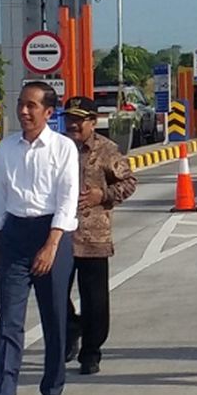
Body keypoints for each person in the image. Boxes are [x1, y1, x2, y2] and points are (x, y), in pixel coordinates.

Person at [0, 81, 79, 395]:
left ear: (48, 112)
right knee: (9, 321)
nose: (24, 111)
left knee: (54, 317)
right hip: (14, 234)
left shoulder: (63, 149)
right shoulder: (7, 148)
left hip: (51, 235)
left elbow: (67, 200)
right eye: (20, 104)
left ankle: (52, 388)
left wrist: (51, 245)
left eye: (32, 106)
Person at [62, 96, 138, 375]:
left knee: (95, 300)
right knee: (55, 292)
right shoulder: (57, 148)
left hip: (94, 235)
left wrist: (102, 195)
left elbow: (129, 183)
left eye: (79, 120)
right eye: (69, 118)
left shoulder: (107, 151)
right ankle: (71, 328)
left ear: (93, 123)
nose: (73, 124)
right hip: (60, 235)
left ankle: (91, 352)